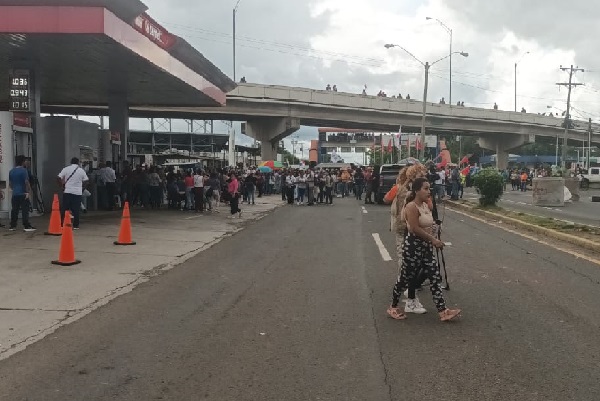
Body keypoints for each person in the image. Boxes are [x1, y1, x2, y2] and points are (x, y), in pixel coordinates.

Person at [387, 177, 461, 322]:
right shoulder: (411, 207)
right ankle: (393, 306)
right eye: (425, 188)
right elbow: (414, 228)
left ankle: (443, 311)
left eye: (429, 188)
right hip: (413, 248)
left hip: (426, 248)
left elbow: (428, 224)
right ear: (416, 190)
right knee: (404, 279)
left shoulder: (425, 206)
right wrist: (433, 240)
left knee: (434, 277)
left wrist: (435, 230)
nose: (429, 191)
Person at [57, 157, 89, 229]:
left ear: (71, 162)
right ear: (78, 162)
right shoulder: (81, 170)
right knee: (76, 209)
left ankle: (62, 224)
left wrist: (62, 187)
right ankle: (76, 225)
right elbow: (86, 181)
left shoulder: (66, 169)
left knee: (65, 208)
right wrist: (82, 189)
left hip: (67, 191)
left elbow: (58, 177)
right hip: (77, 192)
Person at [9, 155, 36, 232]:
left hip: (14, 194)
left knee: (14, 210)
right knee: (25, 210)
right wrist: (28, 192)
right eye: (24, 161)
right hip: (23, 193)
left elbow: (10, 184)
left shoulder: (11, 171)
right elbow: (26, 182)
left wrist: (14, 190)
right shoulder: (24, 171)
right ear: (22, 162)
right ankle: (26, 225)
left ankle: (12, 226)